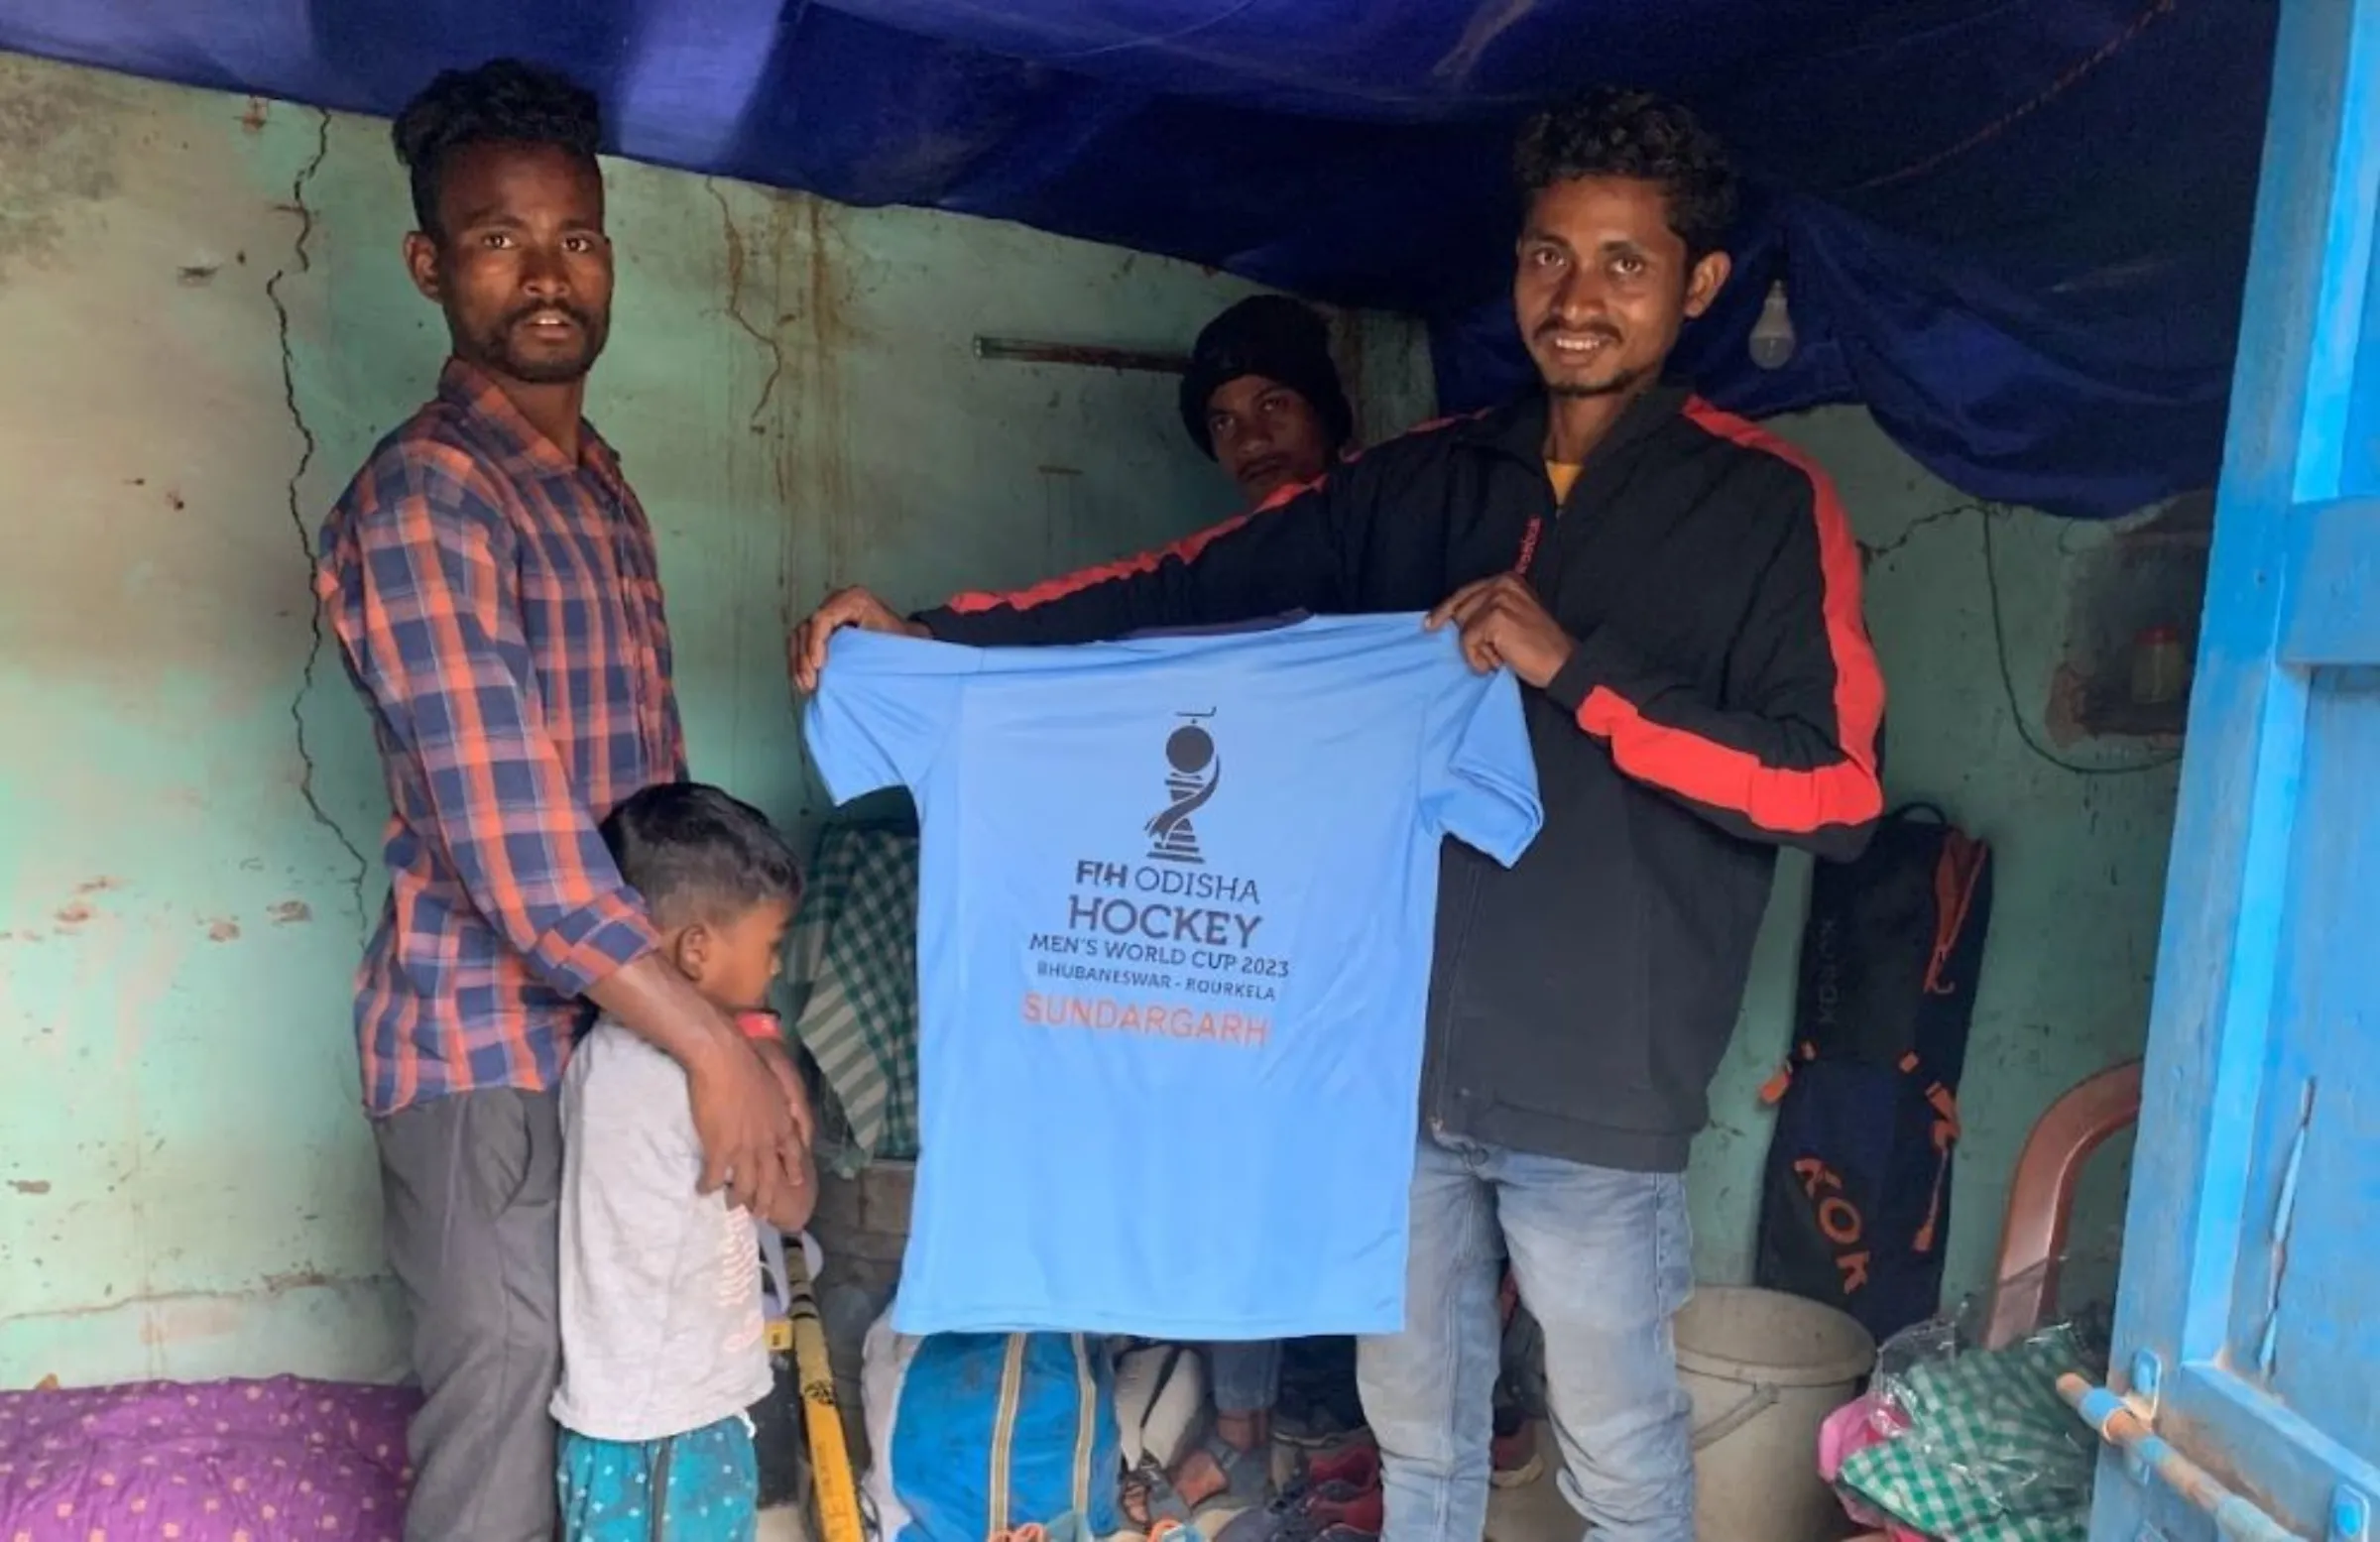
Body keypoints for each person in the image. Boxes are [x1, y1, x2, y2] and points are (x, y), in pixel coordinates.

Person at [791, 85, 1884, 1542]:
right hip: (1381, 1067)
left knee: (1621, 1456)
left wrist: (1578, 671)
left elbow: (1835, 791)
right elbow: (1187, 587)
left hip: (1599, 1086)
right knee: (1417, 1440)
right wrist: (934, 636)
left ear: (1695, 283)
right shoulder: (1421, 483)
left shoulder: (1763, 506)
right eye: (1550, 255)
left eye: (1626, 262)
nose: (1578, 297)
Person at [319, 59, 808, 1542]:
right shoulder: (429, 496)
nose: (547, 274)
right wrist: (714, 1043)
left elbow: (652, 823)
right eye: (497, 238)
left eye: (576, 239)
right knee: (506, 1418)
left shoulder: (598, 486)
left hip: (620, 1038)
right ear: (429, 263)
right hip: (487, 1056)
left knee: (628, 1407)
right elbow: (514, 842)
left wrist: (731, 1026)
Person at [553, 781, 818, 1542]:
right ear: (696, 950)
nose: (774, 969)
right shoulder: (697, 1083)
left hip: (636, 1414)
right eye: (770, 945)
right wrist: (774, 1082)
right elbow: (792, 1206)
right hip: (670, 1423)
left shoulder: (608, 1057)